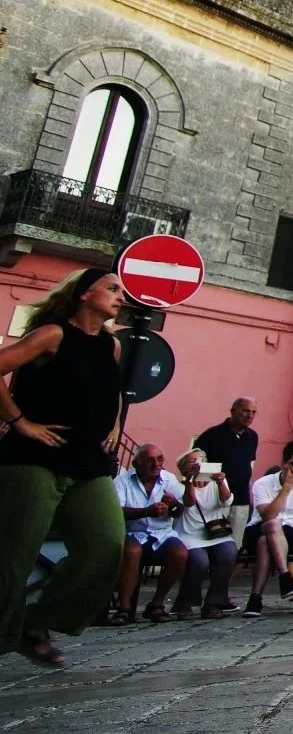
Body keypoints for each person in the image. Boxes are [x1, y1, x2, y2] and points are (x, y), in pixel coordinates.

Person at [0, 268, 129, 668]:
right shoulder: (52, 334)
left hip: (88, 462)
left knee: (106, 545)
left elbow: (113, 391)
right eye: (112, 288)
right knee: (13, 557)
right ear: (85, 295)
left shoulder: (111, 346)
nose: (121, 296)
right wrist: (20, 422)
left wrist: (115, 424)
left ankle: (36, 622)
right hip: (34, 458)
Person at [243, 441, 293, 617]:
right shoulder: (263, 484)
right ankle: (285, 576)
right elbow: (267, 516)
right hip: (258, 529)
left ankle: (255, 599)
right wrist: (286, 487)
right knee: (272, 524)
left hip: (289, 532)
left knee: (266, 543)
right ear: (284, 464)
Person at [112, 442, 187, 624]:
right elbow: (117, 512)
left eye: (159, 459)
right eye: (149, 460)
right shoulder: (122, 481)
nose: (156, 464)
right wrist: (147, 511)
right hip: (133, 532)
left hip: (162, 533)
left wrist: (174, 505)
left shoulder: (169, 479)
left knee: (180, 553)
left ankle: (156, 604)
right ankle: (124, 608)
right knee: (131, 552)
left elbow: (180, 511)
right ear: (136, 464)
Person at [172, 448, 238, 619]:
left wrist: (221, 483)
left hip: (215, 533)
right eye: (193, 462)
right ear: (183, 468)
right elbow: (189, 501)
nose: (198, 464)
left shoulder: (217, 482)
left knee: (228, 553)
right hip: (189, 534)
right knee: (200, 562)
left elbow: (226, 502)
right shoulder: (178, 485)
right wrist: (190, 482)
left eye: (201, 460)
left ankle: (214, 603)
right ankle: (185, 603)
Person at [195, 397, 260, 544]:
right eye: (245, 411)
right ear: (233, 411)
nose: (250, 415)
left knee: (234, 545)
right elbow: (196, 461)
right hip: (216, 500)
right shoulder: (212, 435)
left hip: (241, 500)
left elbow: (249, 464)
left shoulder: (253, 437)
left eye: (254, 412)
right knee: (212, 543)